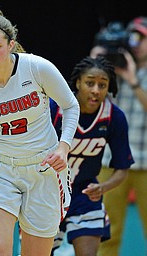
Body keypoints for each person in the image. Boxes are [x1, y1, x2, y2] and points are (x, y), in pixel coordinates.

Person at [0, 4, 80, 256]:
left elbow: (70, 106)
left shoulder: (36, 68)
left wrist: (64, 148)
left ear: (11, 45)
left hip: (43, 166)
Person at [50, 56, 134, 256]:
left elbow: (122, 168)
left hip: (84, 192)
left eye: (102, 85)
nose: (96, 90)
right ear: (78, 82)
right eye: (90, 83)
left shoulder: (114, 117)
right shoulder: (55, 108)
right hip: (48, 191)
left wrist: (103, 187)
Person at [90, 17, 147, 255]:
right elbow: (88, 105)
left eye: (142, 38)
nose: (137, 43)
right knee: (107, 233)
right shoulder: (111, 70)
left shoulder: (133, 75)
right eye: (133, 37)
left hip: (145, 163)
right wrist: (94, 67)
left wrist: (133, 81)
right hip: (111, 162)